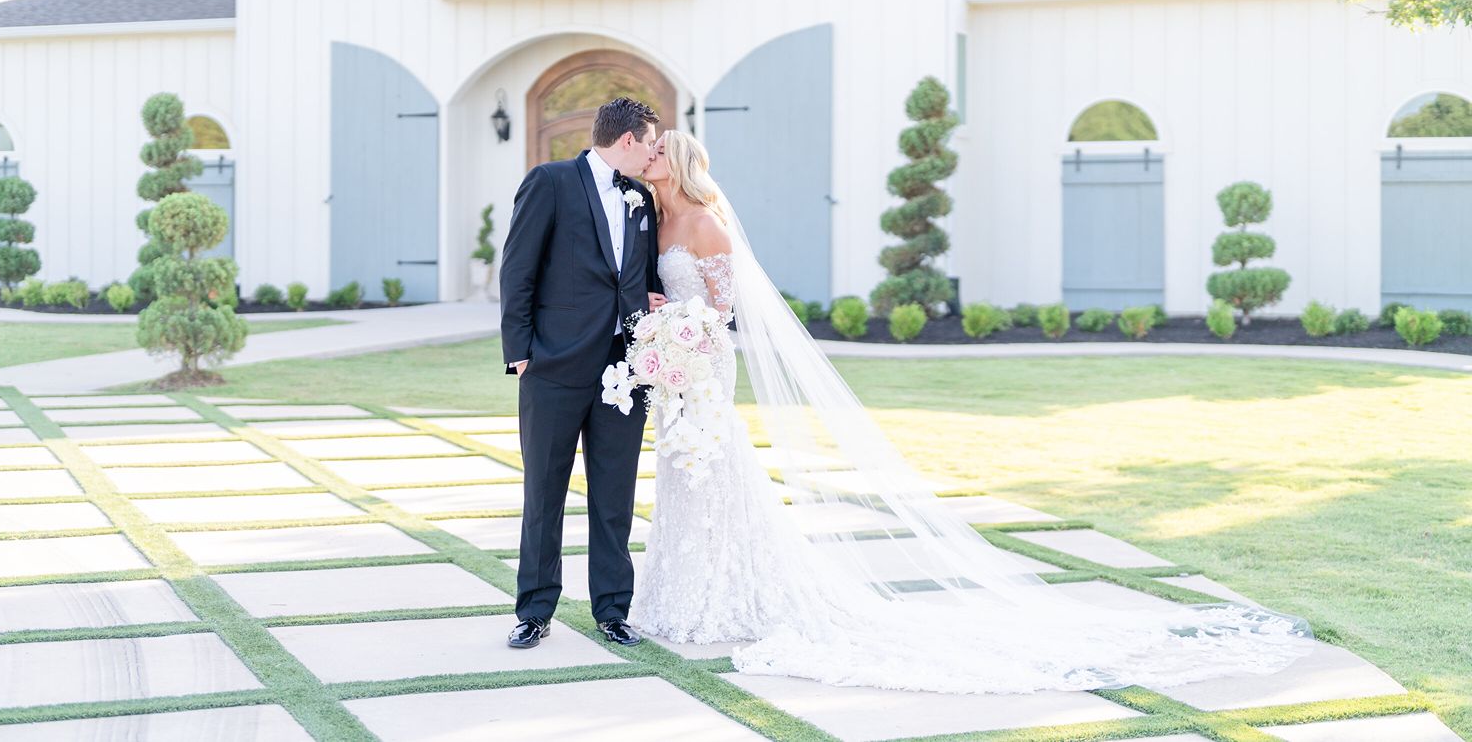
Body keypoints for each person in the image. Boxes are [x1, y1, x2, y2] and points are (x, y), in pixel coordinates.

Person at [626, 128, 1318, 693]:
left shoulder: (708, 224)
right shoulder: (651, 217)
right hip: (673, 366)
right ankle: (681, 590)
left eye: (658, 151)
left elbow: (723, 309)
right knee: (682, 472)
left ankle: (725, 592)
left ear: (677, 163)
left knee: (714, 467)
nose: (649, 156)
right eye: (646, 150)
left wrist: (679, 321)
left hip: (704, 361)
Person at [498, 97, 663, 650]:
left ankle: (613, 609)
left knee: (614, 495)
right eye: (649, 145)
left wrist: (651, 307)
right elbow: (517, 268)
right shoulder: (550, 181)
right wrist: (519, 349)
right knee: (544, 492)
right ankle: (535, 610)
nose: (652, 156)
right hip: (553, 365)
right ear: (627, 141)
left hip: (625, 367)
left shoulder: (642, 198)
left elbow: (640, 274)